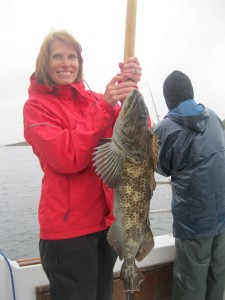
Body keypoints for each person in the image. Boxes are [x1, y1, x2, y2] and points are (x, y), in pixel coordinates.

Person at [23, 30, 144, 300]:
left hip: (107, 227)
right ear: (45, 62)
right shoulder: (36, 107)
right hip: (69, 236)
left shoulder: (95, 100)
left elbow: (136, 141)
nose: (66, 63)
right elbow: (68, 157)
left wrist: (130, 94)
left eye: (72, 57)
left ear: (79, 63)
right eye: (57, 56)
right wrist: (105, 105)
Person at [154, 70, 225, 300]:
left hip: (193, 222)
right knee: (217, 276)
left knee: (190, 284)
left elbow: (163, 168)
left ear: (167, 99)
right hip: (222, 216)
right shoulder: (213, 116)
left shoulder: (165, 127)